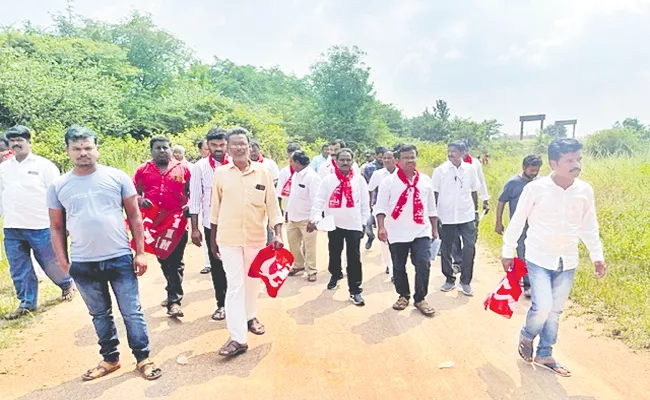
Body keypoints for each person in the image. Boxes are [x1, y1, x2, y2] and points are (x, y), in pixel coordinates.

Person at [48, 126, 161, 381]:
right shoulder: (58, 186)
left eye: (88, 147)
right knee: (99, 314)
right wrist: (63, 261)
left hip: (119, 257)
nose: (83, 153)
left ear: (96, 149)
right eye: (76, 149)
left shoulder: (117, 177)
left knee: (132, 312)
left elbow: (134, 216)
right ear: (67, 151)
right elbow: (55, 227)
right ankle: (110, 359)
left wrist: (140, 252)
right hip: (83, 263)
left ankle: (143, 358)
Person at [502, 138, 605, 378]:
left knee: (555, 311)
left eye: (578, 159)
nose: (576, 164)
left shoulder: (584, 190)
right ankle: (527, 335)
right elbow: (518, 221)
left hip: (567, 259)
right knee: (543, 307)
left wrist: (596, 255)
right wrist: (508, 251)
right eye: (569, 160)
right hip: (539, 257)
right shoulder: (535, 189)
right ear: (553, 163)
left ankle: (545, 352)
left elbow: (589, 225)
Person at [209, 127, 283, 357]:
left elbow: (272, 206)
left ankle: (250, 316)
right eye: (235, 144)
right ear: (228, 149)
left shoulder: (263, 172)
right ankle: (237, 338)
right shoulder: (221, 174)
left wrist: (278, 233)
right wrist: (213, 240)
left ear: (249, 147)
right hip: (228, 239)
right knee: (235, 286)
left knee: (252, 284)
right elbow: (214, 209)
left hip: (255, 238)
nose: (239, 148)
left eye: (243, 144)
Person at [0, 126, 74, 320]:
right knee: (18, 267)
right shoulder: (4, 169)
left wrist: (64, 223)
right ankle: (27, 303)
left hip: (41, 225)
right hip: (12, 227)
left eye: (20, 140)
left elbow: (59, 195)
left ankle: (66, 284)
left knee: (51, 263)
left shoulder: (44, 166)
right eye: (12, 141)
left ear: (28, 142)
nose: (16, 144)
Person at [375, 145, 438, 316]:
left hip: (421, 230)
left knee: (423, 264)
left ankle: (420, 298)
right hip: (396, 231)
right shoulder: (388, 182)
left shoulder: (425, 180)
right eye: (406, 158)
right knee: (398, 266)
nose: (410, 161)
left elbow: (431, 207)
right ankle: (403, 295)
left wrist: (434, 228)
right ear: (397, 161)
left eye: (413, 157)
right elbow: (380, 207)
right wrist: (381, 227)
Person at [134, 136, 191, 318]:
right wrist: (141, 200)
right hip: (154, 223)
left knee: (176, 261)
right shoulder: (143, 170)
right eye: (157, 148)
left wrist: (190, 207)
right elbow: (132, 193)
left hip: (177, 222)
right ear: (151, 150)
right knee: (164, 259)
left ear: (171, 149)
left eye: (165, 147)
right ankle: (172, 289)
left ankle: (174, 301)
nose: (162, 151)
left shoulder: (183, 169)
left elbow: (193, 192)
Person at [308, 148, 370, 306]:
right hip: (333, 223)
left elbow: (364, 204)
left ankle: (355, 291)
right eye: (341, 159)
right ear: (335, 161)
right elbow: (319, 200)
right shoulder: (328, 180)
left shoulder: (359, 180)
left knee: (354, 258)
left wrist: (363, 222)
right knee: (334, 253)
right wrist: (315, 218)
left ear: (352, 162)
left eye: (348, 160)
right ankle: (335, 275)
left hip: (354, 224)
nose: (345, 162)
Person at [189, 128, 230, 320]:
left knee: (239, 265)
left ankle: (240, 305)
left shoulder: (237, 165)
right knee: (217, 265)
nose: (218, 148)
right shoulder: (200, 167)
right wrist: (195, 228)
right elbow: (195, 198)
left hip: (236, 223)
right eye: (214, 145)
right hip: (211, 224)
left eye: (222, 144)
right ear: (208, 145)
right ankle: (221, 304)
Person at [432, 140, 480, 296]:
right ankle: (449, 279)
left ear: (463, 153)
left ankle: (465, 281)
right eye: (449, 150)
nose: (451, 153)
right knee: (446, 248)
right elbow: (435, 193)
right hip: (446, 216)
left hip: (466, 215)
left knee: (469, 247)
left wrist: (476, 211)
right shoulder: (440, 171)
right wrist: (434, 215)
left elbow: (474, 191)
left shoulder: (470, 170)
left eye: (454, 151)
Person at [495, 155, 543, 298]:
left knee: (537, 254)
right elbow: (501, 202)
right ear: (524, 167)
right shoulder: (513, 183)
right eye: (532, 170)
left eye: (537, 170)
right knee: (523, 254)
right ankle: (528, 285)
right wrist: (498, 222)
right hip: (520, 227)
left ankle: (535, 282)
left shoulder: (540, 183)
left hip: (537, 226)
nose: (534, 173)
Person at [450, 140, 490, 271]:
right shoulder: (448, 165)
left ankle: (466, 259)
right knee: (454, 235)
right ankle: (457, 261)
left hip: (470, 205)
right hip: (453, 206)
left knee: (470, 238)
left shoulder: (475, 164)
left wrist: (485, 199)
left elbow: (481, 181)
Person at [285, 150, 321, 282]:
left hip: (307, 219)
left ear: (298, 162)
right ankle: (298, 265)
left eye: (292, 161)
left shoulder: (312, 177)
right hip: (293, 218)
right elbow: (292, 196)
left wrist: (314, 220)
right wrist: (288, 212)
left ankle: (311, 270)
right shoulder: (296, 175)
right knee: (293, 244)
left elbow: (317, 200)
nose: (290, 163)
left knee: (310, 247)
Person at [367, 150, 397, 278]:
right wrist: (371, 205)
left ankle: (394, 266)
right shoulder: (378, 174)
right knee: (385, 241)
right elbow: (370, 189)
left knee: (396, 240)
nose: (386, 160)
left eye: (389, 158)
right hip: (383, 211)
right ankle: (391, 268)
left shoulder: (401, 174)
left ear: (395, 159)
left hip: (398, 212)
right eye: (384, 158)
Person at [362, 146, 387, 250]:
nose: (383, 159)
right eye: (380, 157)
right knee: (368, 223)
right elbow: (366, 185)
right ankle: (370, 237)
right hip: (373, 200)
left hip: (385, 201)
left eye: (384, 157)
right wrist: (369, 202)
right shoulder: (369, 168)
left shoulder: (392, 168)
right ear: (376, 156)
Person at [194, 139, 211, 274]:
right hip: (204, 211)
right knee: (207, 239)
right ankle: (208, 263)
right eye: (207, 149)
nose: (210, 151)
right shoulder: (199, 166)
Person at [276, 142, 302, 211]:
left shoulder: (306, 171)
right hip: (288, 209)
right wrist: (280, 210)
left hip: (304, 211)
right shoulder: (284, 172)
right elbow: (279, 193)